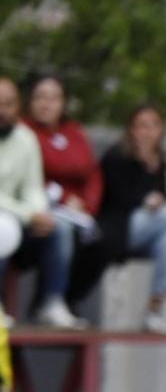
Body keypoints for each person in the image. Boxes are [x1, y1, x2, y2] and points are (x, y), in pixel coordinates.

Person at [97, 104, 166, 333]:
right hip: (118, 229)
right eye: (141, 126)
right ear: (131, 130)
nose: (147, 132)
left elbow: (163, 198)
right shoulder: (116, 156)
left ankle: (153, 310)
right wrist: (147, 199)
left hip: (149, 231)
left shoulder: (160, 159)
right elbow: (118, 200)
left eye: (153, 126)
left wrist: (155, 192)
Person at [0, 77, 82, 328]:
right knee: (4, 229)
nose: (2, 111)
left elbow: (33, 187)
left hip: (19, 219)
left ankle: (51, 302)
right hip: (8, 221)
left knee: (60, 227)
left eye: (8, 104)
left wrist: (39, 212)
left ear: (18, 107)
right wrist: (28, 214)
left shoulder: (25, 138)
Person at [23, 73, 105, 315]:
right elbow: (49, 164)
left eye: (54, 98)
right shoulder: (23, 131)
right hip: (37, 213)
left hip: (77, 211)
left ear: (63, 103)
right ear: (30, 101)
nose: (47, 104)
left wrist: (86, 205)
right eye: (41, 97)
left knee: (102, 241)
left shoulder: (73, 131)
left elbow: (91, 172)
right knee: (61, 230)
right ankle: (51, 300)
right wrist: (62, 197)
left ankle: (69, 299)